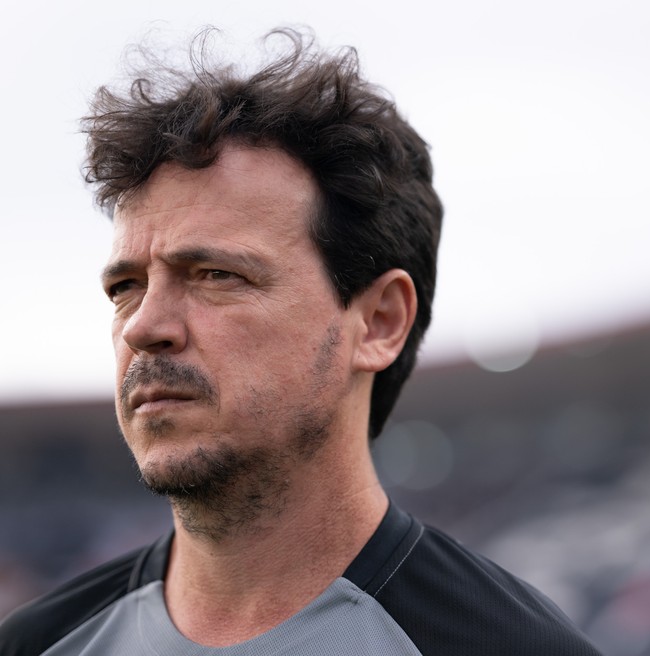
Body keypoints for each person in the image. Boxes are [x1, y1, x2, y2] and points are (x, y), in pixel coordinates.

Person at [0, 28, 601, 655]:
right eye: (126, 286)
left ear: (379, 322)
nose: (143, 327)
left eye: (216, 275)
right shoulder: (39, 642)